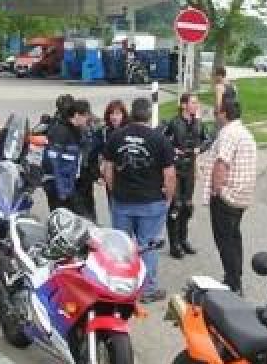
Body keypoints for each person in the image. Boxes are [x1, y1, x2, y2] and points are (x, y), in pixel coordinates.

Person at [102, 97, 176, 303]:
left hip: (122, 201)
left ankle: (120, 286)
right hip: (151, 202)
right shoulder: (160, 139)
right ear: (149, 115)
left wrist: (114, 190)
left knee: (121, 247)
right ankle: (147, 289)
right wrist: (169, 197)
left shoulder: (116, 137)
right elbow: (169, 175)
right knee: (148, 246)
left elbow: (107, 169)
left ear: (131, 113)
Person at [201, 99, 256, 296]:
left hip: (226, 196)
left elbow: (221, 163)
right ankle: (235, 276)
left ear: (224, 114)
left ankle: (233, 282)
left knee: (224, 240)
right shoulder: (244, 132)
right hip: (242, 195)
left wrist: (216, 190)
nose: (215, 116)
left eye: (216, 113)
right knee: (234, 237)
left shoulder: (228, 134)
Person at [163, 92, 210, 258]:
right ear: (183, 105)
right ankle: (174, 244)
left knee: (187, 206)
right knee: (175, 206)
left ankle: (183, 240)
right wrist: (172, 150)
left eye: (197, 103)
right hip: (175, 169)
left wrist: (200, 148)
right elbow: (162, 140)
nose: (196, 106)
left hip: (190, 170)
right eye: (193, 102)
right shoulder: (173, 123)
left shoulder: (199, 123)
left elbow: (208, 139)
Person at [43, 98, 90, 214]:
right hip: (58, 185)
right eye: (85, 116)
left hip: (69, 183)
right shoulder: (60, 131)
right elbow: (53, 162)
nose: (87, 119)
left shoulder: (76, 131)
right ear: (77, 115)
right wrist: (62, 191)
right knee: (63, 218)